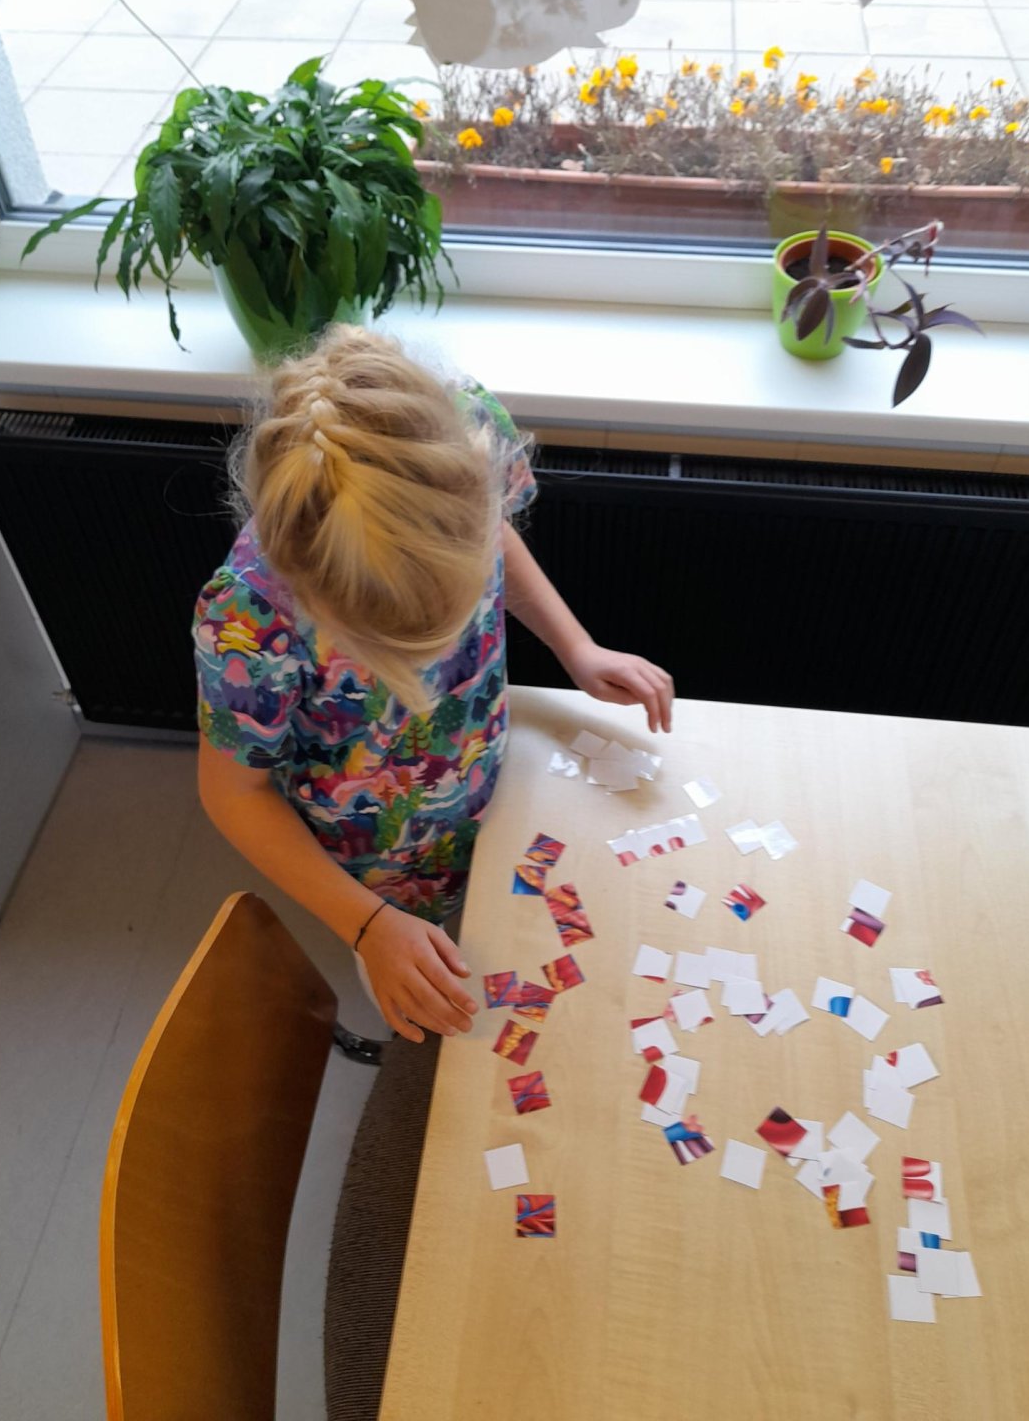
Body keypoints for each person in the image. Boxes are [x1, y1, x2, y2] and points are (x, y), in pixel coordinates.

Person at [193, 326, 673, 1045]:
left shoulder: (464, 435)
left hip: (491, 778)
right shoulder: (246, 616)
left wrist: (575, 645)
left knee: (524, 938)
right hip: (379, 863)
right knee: (436, 995)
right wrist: (369, 926)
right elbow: (233, 794)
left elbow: (494, 530)